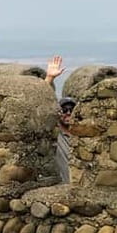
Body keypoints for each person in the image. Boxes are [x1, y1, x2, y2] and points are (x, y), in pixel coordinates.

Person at [45, 55, 71, 183]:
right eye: (64, 110)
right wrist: (49, 79)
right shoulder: (54, 136)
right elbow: (41, 106)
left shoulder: (82, 138)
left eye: (72, 110)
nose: (68, 113)